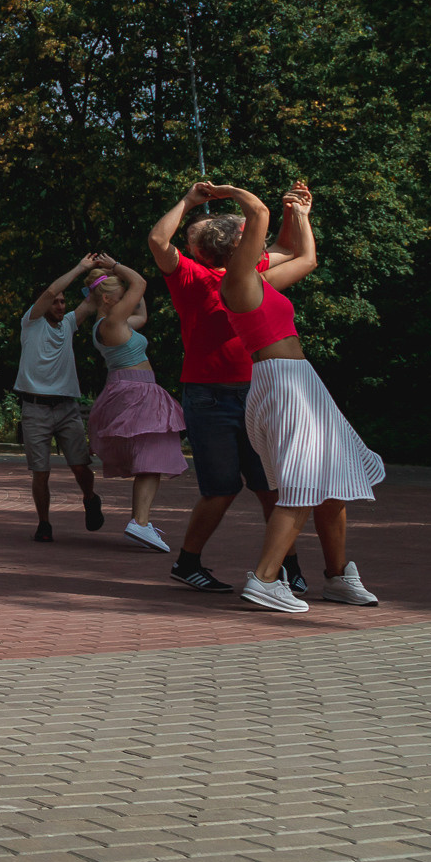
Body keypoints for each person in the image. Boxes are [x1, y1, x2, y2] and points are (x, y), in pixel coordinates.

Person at [194, 182, 383, 613]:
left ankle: (337, 577)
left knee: (334, 479)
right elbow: (259, 212)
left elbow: (307, 258)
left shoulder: (255, 282)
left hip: (298, 382)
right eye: (248, 233)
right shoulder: (237, 282)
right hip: (283, 384)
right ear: (237, 243)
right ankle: (264, 579)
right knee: (302, 483)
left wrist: (300, 214)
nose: (257, 236)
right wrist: (227, 191)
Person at [148, 184, 312, 595]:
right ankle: (187, 563)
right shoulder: (191, 276)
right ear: (235, 245)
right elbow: (157, 240)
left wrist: (291, 208)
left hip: (256, 392)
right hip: (210, 397)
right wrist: (189, 200)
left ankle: (288, 567)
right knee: (222, 489)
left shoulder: (249, 272)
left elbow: (287, 248)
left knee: (270, 487)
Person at [80, 257, 187, 553]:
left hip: (131, 390)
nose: (127, 293)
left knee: (150, 458)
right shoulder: (112, 322)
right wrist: (115, 265)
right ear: (106, 298)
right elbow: (140, 283)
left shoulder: (114, 324)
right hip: (136, 392)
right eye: (120, 291)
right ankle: (139, 523)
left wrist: (120, 280)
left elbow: (142, 312)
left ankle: (141, 521)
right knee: (153, 457)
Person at [14, 255, 105, 542]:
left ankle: (90, 497)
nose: (60, 305)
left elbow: (92, 301)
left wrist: (106, 271)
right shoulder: (31, 322)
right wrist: (80, 267)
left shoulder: (68, 323)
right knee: (40, 472)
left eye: (64, 302)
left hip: (66, 408)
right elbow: (51, 291)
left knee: (80, 466)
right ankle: (44, 524)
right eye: (55, 302)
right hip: (35, 408)